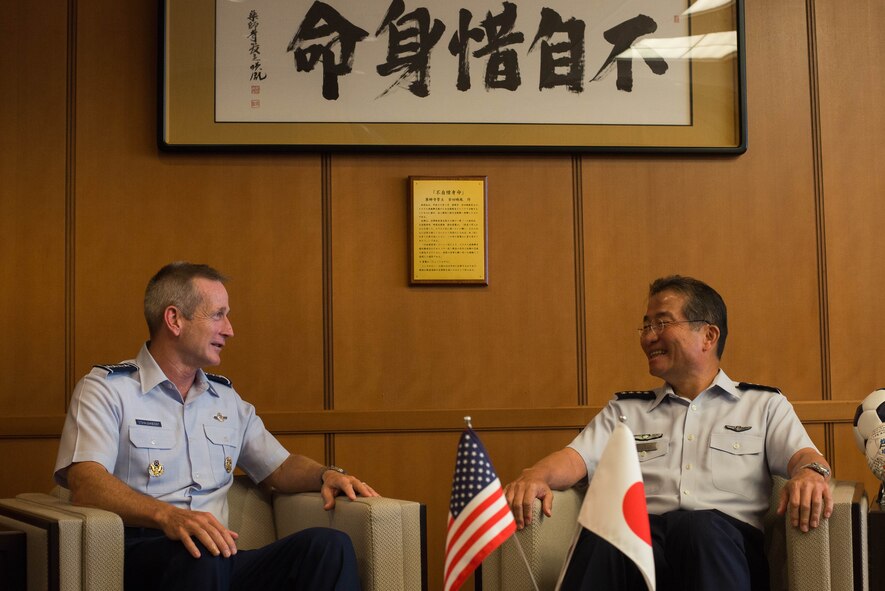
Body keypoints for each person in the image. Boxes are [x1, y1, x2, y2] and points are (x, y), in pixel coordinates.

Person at [54, 262, 378, 590]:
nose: (229, 329)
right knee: (199, 554)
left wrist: (326, 474)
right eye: (218, 315)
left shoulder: (223, 398)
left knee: (328, 548)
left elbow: (278, 468)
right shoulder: (107, 390)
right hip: (144, 555)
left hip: (219, 556)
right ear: (175, 319)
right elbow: (86, 483)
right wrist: (167, 516)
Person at [504, 275, 833, 591]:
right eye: (646, 325)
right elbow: (576, 458)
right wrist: (536, 476)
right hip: (640, 545)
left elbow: (804, 456)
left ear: (708, 335)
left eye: (661, 323)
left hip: (724, 548)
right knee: (601, 536)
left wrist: (809, 474)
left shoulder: (762, 405)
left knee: (698, 527)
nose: (648, 336)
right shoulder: (627, 410)